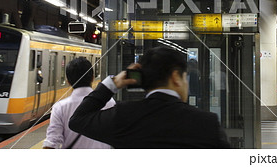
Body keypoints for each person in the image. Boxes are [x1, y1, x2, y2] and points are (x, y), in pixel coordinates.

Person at [69, 47, 230, 148]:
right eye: (185, 77)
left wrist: (113, 83)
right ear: (175, 77)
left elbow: (77, 120)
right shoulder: (207, 123)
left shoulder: (123, 116)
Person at [43, 56, 115, 149]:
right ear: (92, 78)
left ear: (68, 81)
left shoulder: (60, 107)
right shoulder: (109, 103)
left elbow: (51, 143)